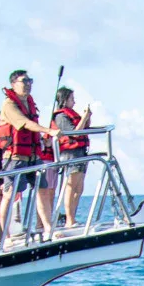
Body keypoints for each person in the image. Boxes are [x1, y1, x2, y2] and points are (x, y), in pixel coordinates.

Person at [0, 69, 58, 242]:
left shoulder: (30, 102)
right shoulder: (9, 104)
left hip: (32, 155)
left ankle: (47, 227)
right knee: (9, 194)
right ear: (14, 84)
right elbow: (24, 123)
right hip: (14, 158)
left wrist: (43, 139)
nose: (28, 84)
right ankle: (4, 236)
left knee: (43, 189)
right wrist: (48, 130)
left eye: (30, 81)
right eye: (24, 81)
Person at [52, 86, 92, 225]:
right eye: (71, 99)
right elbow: (74, 133)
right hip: (71, 154)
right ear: (64, 100)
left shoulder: (70, 114)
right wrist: (84, 117)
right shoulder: (61, 116)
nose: (74, 102)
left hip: (80, 152)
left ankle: (72, 217)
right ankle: (69, 219)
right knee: (71, 185)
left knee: (79, 187)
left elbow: (82, 128)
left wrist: (88, 118)